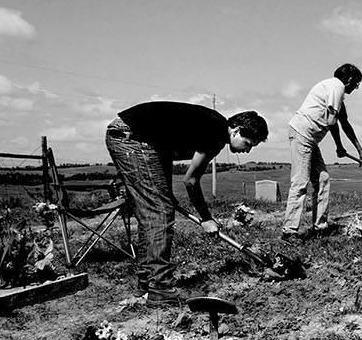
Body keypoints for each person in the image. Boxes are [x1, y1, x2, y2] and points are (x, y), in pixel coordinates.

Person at [105, 101, 269, 302]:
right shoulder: (215, 135)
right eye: (248, 144)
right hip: (132, 137)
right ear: (236, 131)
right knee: (159, 211)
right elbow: (190, 181)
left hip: (141, 139)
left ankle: (147, 282)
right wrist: (206, 218)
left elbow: (164, 148)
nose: (247, 151)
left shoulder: (212, 126)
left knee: (155, 209)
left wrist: (165, 193)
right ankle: (160, 288)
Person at [284, 63, 362, 239]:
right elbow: (332, 122)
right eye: (357, 83)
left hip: (310, 139)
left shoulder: (336, 94)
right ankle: (289, 231)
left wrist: (360, 151)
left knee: (322, 179)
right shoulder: (336, 86)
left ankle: (320, 226)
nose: (356, 87)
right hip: (302, 134)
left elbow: (344, 122)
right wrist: (339, 146)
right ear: (350, 79)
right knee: (300, 182)